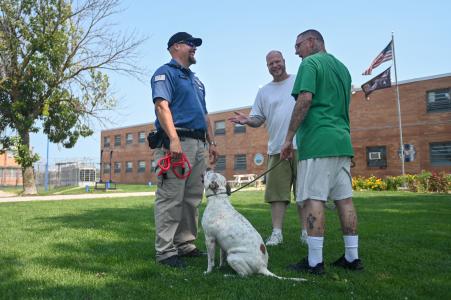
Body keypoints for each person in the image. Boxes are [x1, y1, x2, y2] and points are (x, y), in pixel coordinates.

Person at [280, 29, 363, 275]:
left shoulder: (310, 63)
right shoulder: (343, 68)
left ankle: (315, 262)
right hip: (341, 142)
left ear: (312, 42)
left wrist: (288, 138)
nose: (296, 51)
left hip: (318, 142)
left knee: (313, 199)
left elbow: (304, 99)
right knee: (344, 201)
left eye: (298, 45)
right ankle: (352, 257)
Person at [150, 32, 218, 268]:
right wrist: (174, 139)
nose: (194, 48)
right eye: (190, 44)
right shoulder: (165, 73)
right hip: (177, 144)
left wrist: (212, 142)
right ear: (175, 47)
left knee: (191, 198)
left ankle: (185, 244)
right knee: (171, 197)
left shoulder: (197, 81)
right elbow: (162, 106)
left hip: (198, 144)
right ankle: (165, 251)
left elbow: (205, 114)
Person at [228, 51, 307, 246]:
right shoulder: (264, 91)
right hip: (277, 150)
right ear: (267, 67)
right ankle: (277, 233)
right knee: (276, 195)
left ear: (284, 62)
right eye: (271, 63)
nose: (275, 65)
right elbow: (258, 118)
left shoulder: (299, 81)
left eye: (277, 61)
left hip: (302, 146)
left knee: (304, 193)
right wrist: (248, 120)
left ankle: (307, 232)